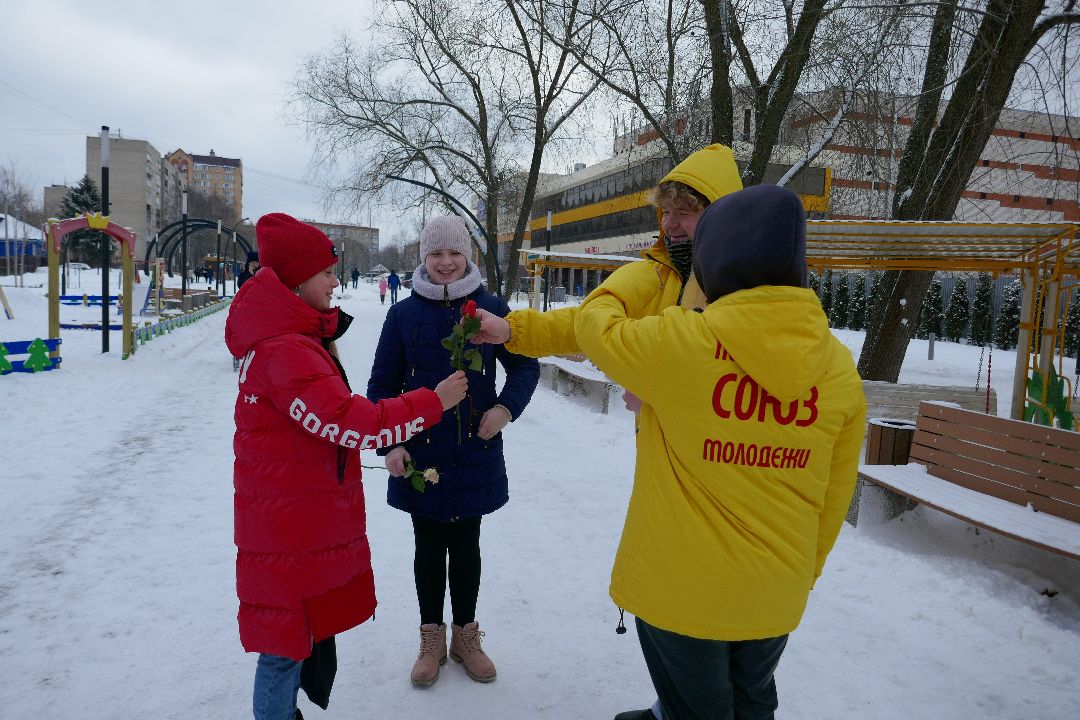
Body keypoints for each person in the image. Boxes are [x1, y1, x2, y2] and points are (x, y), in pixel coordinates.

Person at [574, 185, 866, 720]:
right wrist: (798, 574)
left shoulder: (680, 344)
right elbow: (835, 496)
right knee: (753, 697)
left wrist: (634, 279)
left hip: (682, 591)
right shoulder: (838, 369)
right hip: (776, 588)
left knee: (698, 708)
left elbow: (594, 326)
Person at [224, 212, 469, 720]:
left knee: (291, 641)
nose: (337, 281)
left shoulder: (293, 338)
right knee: (283, 650)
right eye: (327, 272)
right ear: (297, 280)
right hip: (286, 529)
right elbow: (351, 422)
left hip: (291, 520)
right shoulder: (285, 351)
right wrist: (433, 403)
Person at [367, 215, 540, 688]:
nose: (445, 262)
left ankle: (466, 634)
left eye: (454, 253)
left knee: (467, 545)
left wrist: (504, 409)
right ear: (423, 258)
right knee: (427, 546)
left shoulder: (489, 307)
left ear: (468, 256)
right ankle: (431, 636)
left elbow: (525, 368)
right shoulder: (403, 316)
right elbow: (382, 385)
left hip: (474, 450)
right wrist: (392, 441)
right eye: (436, 254)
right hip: (421, 453)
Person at [471, 144, 742, 401]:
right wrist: (510, 329)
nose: (669, 223)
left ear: (719, 216)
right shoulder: (654, 276)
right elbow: (584, 323)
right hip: (656, 446)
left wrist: (657, 388)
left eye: (682, 212)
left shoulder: (746, 283)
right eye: (666, 211)